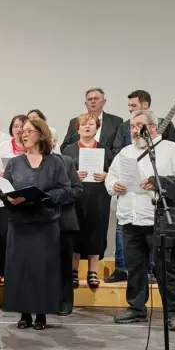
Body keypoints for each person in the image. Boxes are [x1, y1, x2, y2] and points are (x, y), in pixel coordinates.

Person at [106, 111, 175, 326]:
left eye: (139, 126)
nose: (134, 131)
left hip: (157, 219)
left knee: (166, 268)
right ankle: (136, 308)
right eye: (132, 127)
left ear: (153, 127)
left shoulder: (170, 150)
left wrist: (158, 182)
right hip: (130, 218)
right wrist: (114, 185)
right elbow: (111, 176)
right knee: (135, 267)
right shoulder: (125, 152)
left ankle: (173, 312)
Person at [0, 118, 71, 330]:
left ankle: (41, 314)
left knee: (43, 269)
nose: (24, 134)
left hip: (45, 224)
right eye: (22, 131)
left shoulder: (55, 162)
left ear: (41, 133)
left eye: (29, 131)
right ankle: (24, 313)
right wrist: (9, 198)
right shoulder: (14, 163)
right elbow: (4, 190)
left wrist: (44, 196)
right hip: (20, 223)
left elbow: (66, 190)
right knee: (21, 269)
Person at [62, 113, 113, 289]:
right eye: (83, 124)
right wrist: (73, 175)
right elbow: (60, 175)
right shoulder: (69, 150)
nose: (87, 127)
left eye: (91, 124)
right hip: (76, 197)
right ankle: (73, 270)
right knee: (76, 232)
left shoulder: (105, 150)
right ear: (77, 129)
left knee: (96, 232)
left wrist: (106, 175)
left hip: (98, 197)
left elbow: (115, 173)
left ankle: (93, 271)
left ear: (97, 127)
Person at [50, 128, 83, 316]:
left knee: (64, 264)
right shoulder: (29, 162)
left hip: (63, 220)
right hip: (39, 221)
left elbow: (77, 190)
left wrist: (53, 198)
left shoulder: (66, 161)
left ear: (54, 142)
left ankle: (65, 301)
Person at [0, 115, 27, 280]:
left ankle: (18, 271)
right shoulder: (4, 146)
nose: (19, 129)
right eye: (15, 126)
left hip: (26, 198)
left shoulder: (32, 147)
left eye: (22, 126)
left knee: (22, 236)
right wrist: (3, 172)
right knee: (4, 235)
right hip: (5, 196)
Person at [60, 87, 123, 153]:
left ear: (104, 102)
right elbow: (64, 147)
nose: (93, 101)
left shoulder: (116, 122)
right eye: (90, 99)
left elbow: (118, 148)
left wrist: (107, 157)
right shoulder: (75, 121)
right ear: (86, 104)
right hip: (78, 159)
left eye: (96, 98)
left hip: (107, 159)